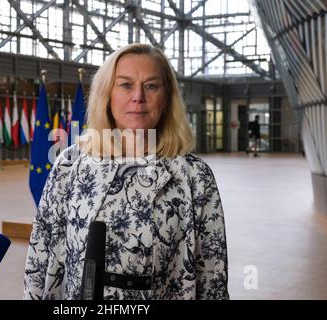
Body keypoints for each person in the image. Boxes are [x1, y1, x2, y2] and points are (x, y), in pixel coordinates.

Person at [24, 43, 229, 300]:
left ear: (167, 98)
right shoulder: (69, 164)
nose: (138, 97)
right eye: (125, 85)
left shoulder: (195, 176)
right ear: (106, 95)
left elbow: (212, 273)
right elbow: (40, 259)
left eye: (151, 86)